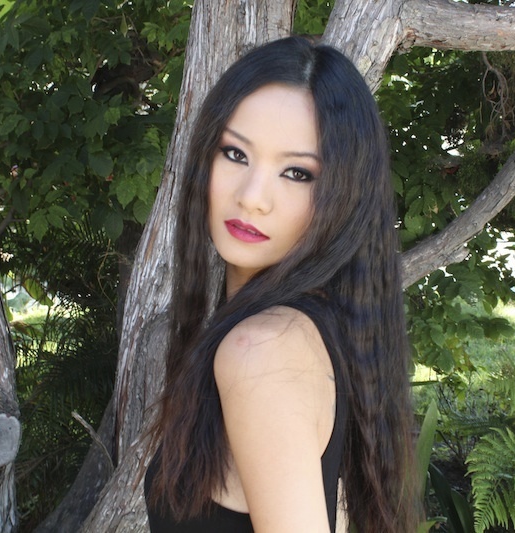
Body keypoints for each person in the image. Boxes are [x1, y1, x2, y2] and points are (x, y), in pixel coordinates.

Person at [144, 36, 417, 532]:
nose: (253, 197)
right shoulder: (314, 331)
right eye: (235, 153)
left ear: (343, 195)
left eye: (296, 173)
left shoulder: (264, 351)